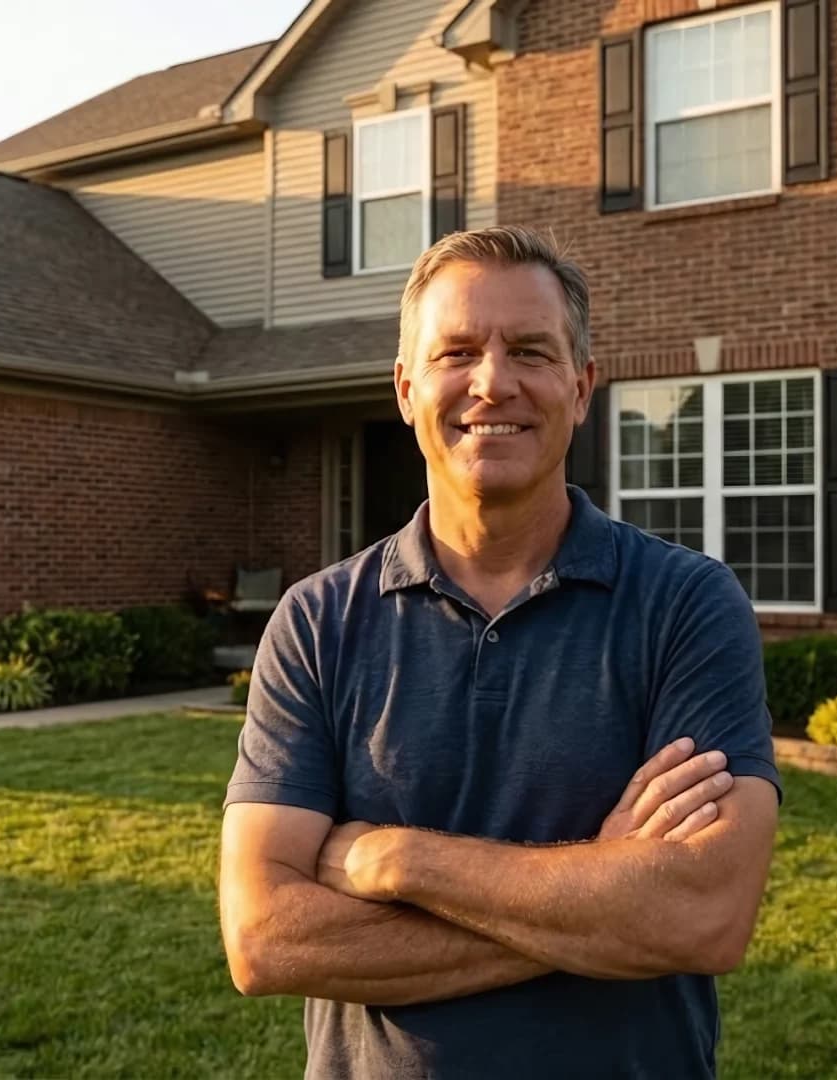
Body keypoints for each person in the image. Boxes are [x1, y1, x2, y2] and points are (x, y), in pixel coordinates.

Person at [218, 225, 782, 1078]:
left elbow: (703, 915)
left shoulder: (686, 605)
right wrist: (604, 892)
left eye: (530, 350)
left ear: (582, 387)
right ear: (407, 389)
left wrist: (393, 859)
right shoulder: (317, 623)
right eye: (456, 353)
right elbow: (264, 938)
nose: (493, 382)